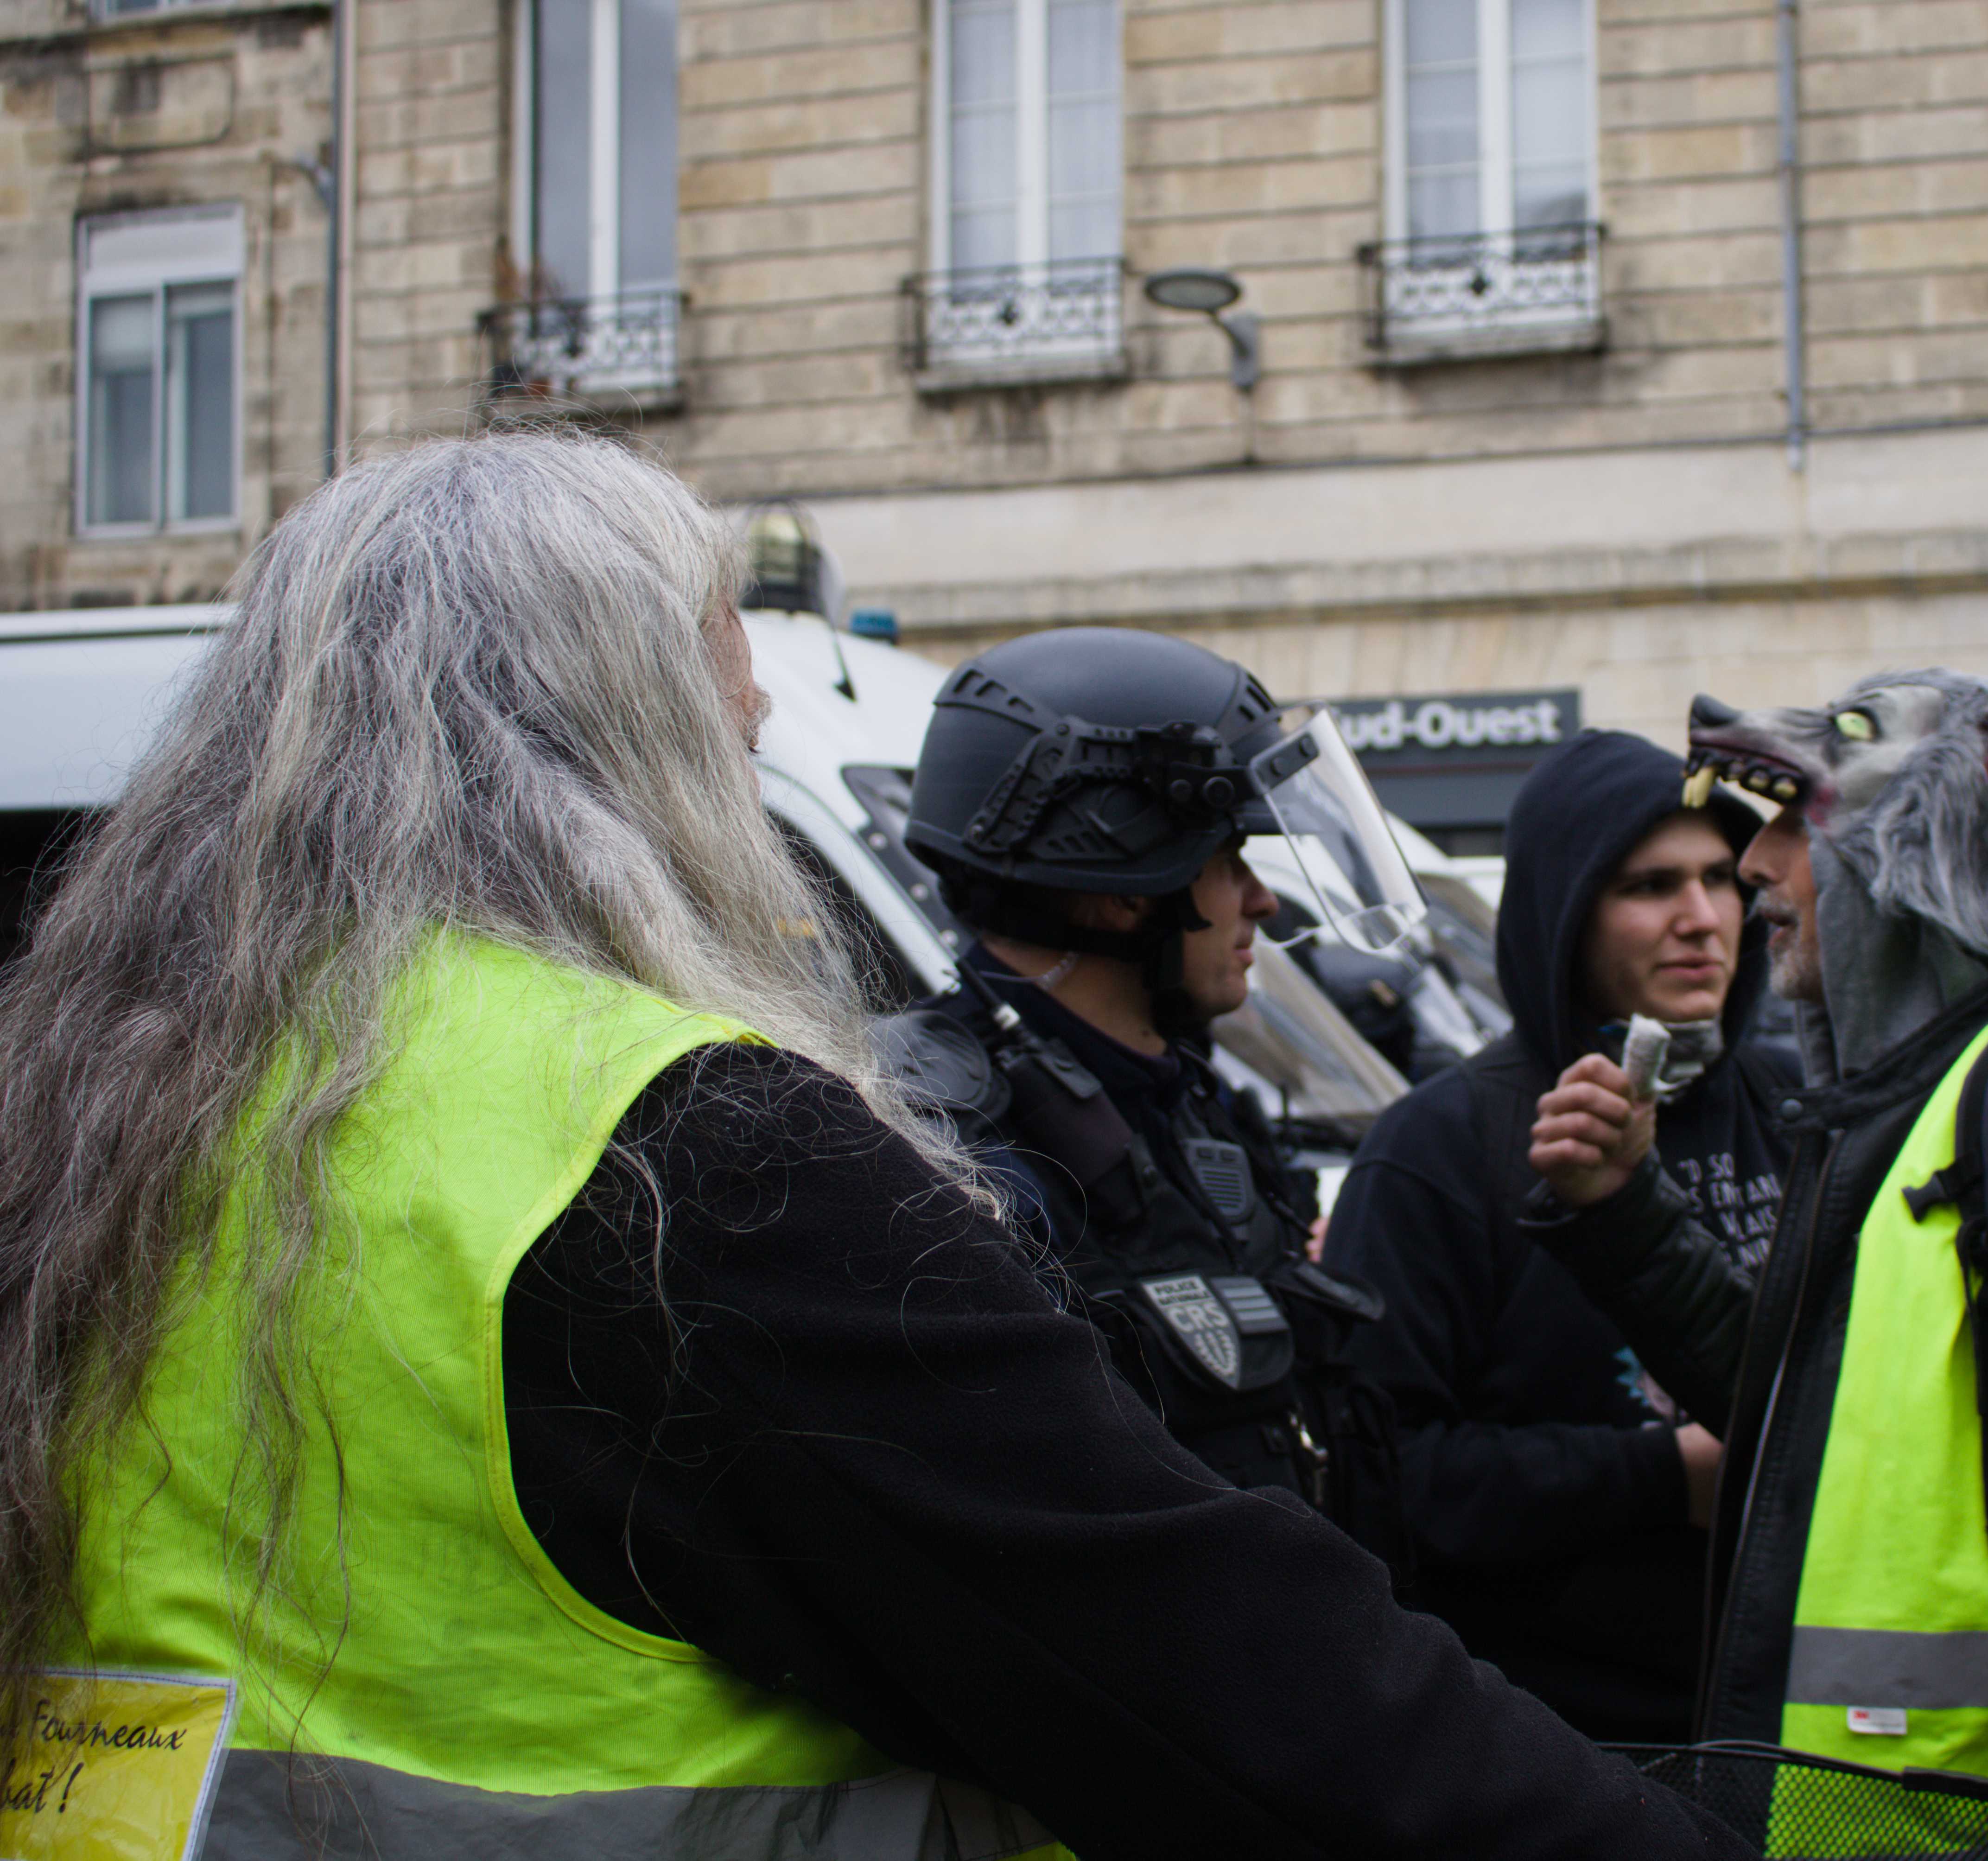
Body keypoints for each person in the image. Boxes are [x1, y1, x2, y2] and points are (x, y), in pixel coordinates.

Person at [0, 433, 1752, 1861]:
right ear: (626, 741)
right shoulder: (676, 1141)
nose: (745, 751)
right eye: (727, 719)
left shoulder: (122, 1083)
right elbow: (1200, 1647)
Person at [1518, 669, 1988, 1853]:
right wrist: (1622, 1211)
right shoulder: (1916, 1099)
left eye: (1795, 825)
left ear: (1922, 851)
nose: (1754, 867)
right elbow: (1801, 1421)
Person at [876, 629, 1402, 1537]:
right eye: (1230, 859)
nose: (1263, 900)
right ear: (1124, 884)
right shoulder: (941, 1143)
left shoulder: (1186, 1100)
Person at [1323, 730, 1789, 1742]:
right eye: (1649, 885)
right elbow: (1389, 1480)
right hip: (1557, 1743)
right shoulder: (1441, 1145)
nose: (1702, 917)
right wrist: (1665, 1476)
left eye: (1719, 877)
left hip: (1793, 1725)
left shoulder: (1797, 1107)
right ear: (1563, 912)